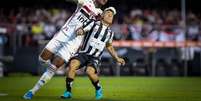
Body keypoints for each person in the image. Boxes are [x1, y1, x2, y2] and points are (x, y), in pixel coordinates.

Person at [23, 0, 108, 99]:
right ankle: (51, 69)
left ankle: (32, 91)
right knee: (42, 59)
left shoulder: (100, 14)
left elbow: (101, 25)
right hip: (62, 35)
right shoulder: (85, 2)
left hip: (74, 43)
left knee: (52, 68)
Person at [61, 7, 125, 100]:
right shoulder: (93, 23)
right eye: (108, 13)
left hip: (95, 57)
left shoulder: (110, 33)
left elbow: (109, 46)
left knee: (89, 72)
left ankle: (98, 89)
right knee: (72, 65)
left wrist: (117, 58)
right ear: (102, 15)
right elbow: (83, 29)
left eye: (112, 15)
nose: (110, 15)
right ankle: (68, 92)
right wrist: (81, 31)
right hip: (83, 53)